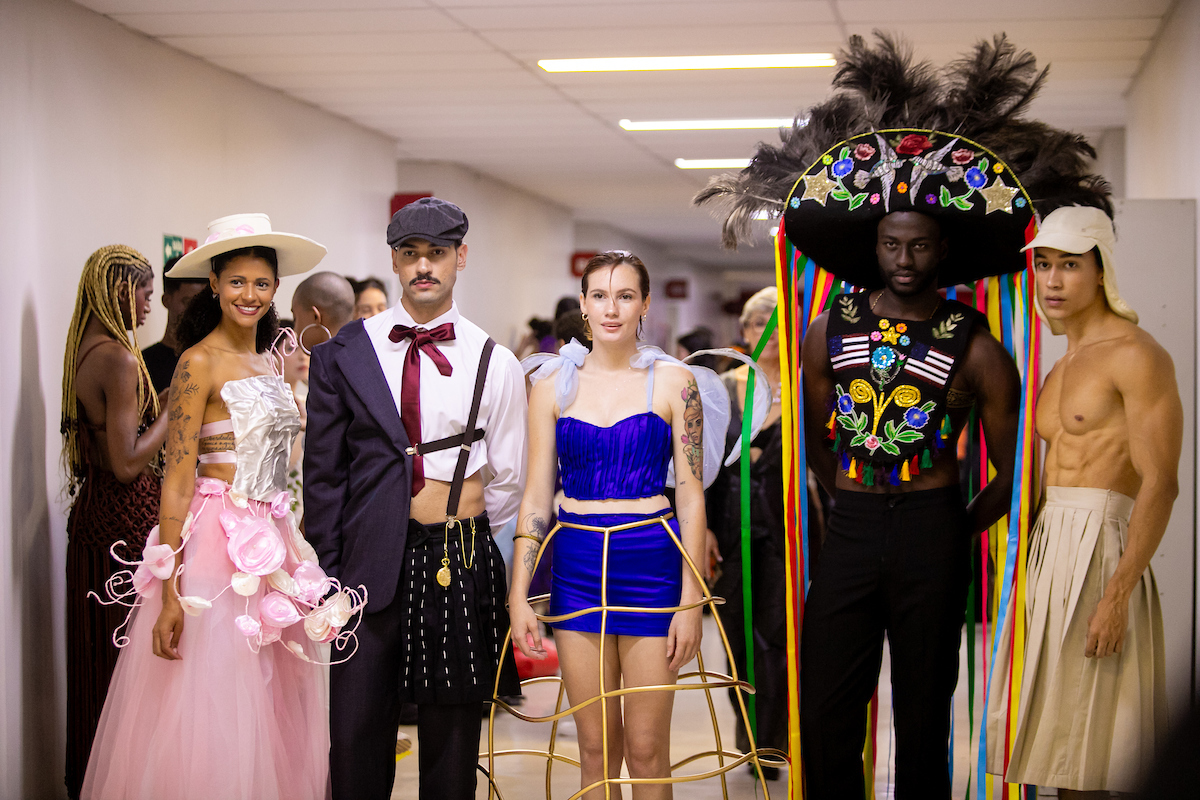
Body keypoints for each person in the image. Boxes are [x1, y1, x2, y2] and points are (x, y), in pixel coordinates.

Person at [695, 34, 1118, 798]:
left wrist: (956, 525)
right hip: (853, 526)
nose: (904, 258)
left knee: (926, 706)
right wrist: (848, 496)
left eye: (919, 246)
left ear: (941, 250)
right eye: (892, 243)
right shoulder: (829, 330)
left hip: (933, 528)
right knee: (827, 703)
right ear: (875, 245)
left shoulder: (977, 346)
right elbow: (817, 438)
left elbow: (1016, 461)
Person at [81, 213, 356, 800]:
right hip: (214, 552)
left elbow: (286, 467)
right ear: (213, 285)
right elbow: (177, 481)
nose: (248, 295)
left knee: (273, 705)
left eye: (260, 283)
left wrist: (294, 536)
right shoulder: (196, 362)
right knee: (217, 707)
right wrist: (172, 590)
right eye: (236, 282)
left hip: (275, 544)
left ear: (275, 288)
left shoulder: (275, 362)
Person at [304, 196, 528, 800]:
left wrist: (466, 532)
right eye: (410, 255)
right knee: (355, 733)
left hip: (456, 555)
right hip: (362, 567)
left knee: (452, 733)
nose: (423, 265)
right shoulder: (343, 354)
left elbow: (507, 477)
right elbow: (323, 478)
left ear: (460, 258)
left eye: (437, 253)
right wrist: (325, 577)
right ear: (395, 263)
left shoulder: (494, 361)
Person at [508, 251, 725, 799]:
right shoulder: (549, 387)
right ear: (583, 304)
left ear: (645, 304)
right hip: (577, 564)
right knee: (595, 749)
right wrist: (517, 595)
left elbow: (692, 496)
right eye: (599, 296)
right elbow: (536, 494)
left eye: (625, 296)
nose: (611, 308)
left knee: (648, 749)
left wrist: (691, 601)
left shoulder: (677, 384)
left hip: (652, 562)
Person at [986, 205, 1178, 798]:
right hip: (1048, 553)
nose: (1052, 281)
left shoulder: (1137, 354)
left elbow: (1160, 482)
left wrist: (1118, 592)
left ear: (1101, 272)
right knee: (1049, 745)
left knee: (1088, 747)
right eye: (1043, 265)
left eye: (1069, 265)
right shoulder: (1059, 362)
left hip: (1102, 552)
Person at [61, 245, 169, 799]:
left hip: (94, 522)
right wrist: (175, 413)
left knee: (97, 665)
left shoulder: (85, 349)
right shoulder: (121, 359)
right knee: (124, 674)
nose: (150, 302)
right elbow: (129, 463)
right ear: (117, 290)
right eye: (144, 290)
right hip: (123, 529)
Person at [704, 288, 789, 778]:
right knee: (737, 639)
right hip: (730, 528)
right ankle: (750, 736)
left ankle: (773, 742)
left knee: (776, 639)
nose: (767, 333)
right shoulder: (720, 387)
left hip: (783, 532)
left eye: (775, 324)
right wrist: (706, 530)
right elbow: (702, 466)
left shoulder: (802, 386)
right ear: (745, 330)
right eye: (758, 323)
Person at [141, 256, 210, 394]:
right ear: (166, 300)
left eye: (201, 304)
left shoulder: (215, 358)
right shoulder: (143, 364)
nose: (195, 311)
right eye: (188, 302)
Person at [291, 270, 356, 354]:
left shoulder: (325, 365)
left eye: (295, 319)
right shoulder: (368, 353)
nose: (294, 330)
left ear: (315, 317)